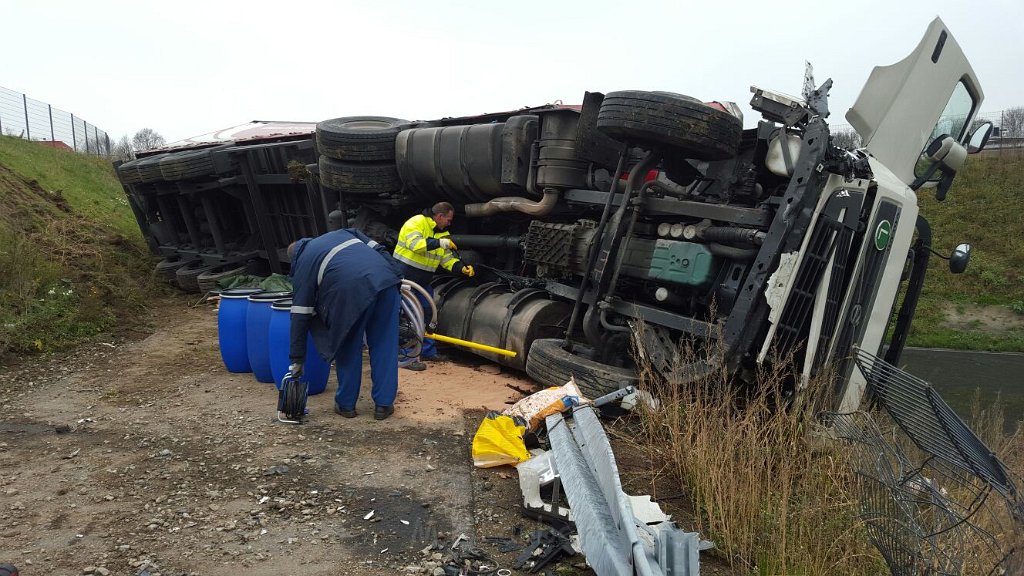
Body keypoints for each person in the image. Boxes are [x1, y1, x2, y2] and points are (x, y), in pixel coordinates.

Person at [287, 228, 402, 420]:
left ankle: (346, 405)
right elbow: (380, 249)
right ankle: (384, 405)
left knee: (347, 346)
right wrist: (397, 275)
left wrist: (297, 358)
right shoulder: (346, 232)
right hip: (386, 283)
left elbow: (300, 315)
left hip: (351, 293)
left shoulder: (304, 263)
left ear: (294, 259)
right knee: (385, 345)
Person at [392, 202, 475, 371]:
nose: (449, 223)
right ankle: (406, 355)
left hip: (422, 282)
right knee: (408, 316)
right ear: (439, 216)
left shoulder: (442, 233)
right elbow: (416, 245)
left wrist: (461, 268)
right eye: (448, 220)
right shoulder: (416, 222)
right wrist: (442, 243)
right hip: (405, 280)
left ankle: (428, 351)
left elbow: (445, 260)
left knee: (428, 313)